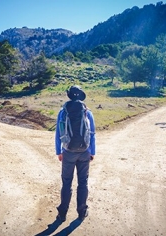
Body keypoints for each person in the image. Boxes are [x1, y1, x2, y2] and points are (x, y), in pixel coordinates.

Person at [55, 85, 96, 222]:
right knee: (82, 182)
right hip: (84, 152)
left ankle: (62, 214)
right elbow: (92, 134)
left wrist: (59, 151)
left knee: (66, 182)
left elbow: (58, 133)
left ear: (69, 96)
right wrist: (92, 151)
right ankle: (82, 212)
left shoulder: (63, 112)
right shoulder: (87, 112)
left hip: (68, 152)